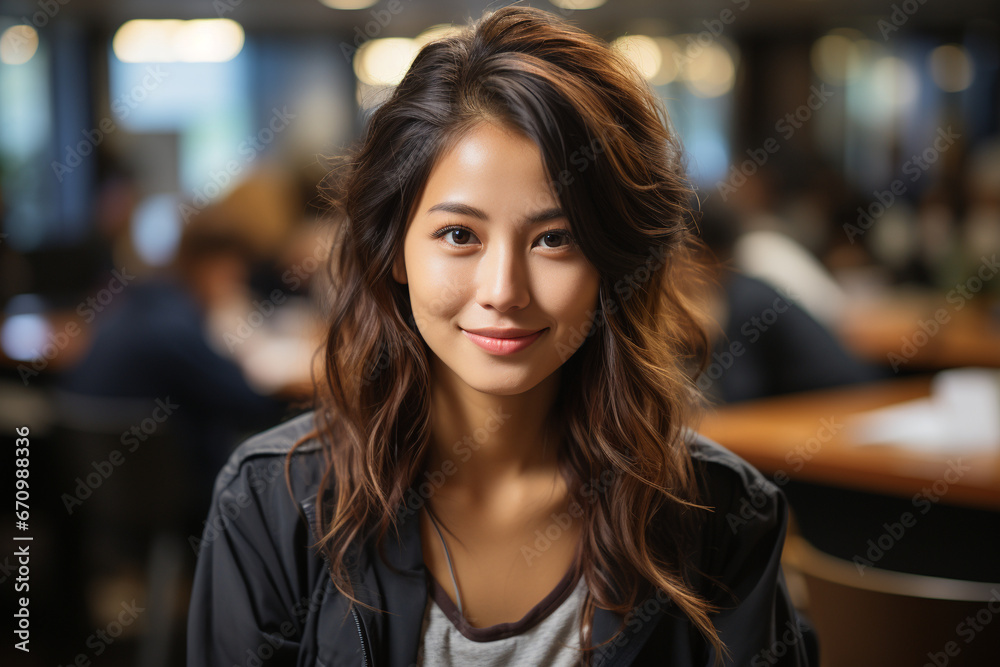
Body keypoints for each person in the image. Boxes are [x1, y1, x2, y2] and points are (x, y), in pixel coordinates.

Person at [187, 6, 817, 666]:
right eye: (459, 235)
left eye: (556, 238)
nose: (503, 289)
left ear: (613, 261)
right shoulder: (273, 503)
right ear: (395, 251)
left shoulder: (721, 515)